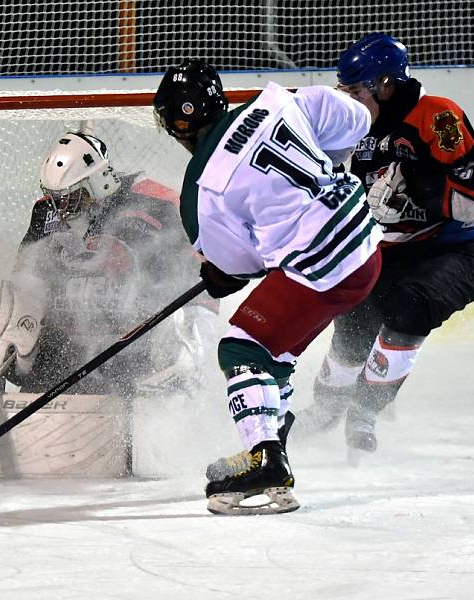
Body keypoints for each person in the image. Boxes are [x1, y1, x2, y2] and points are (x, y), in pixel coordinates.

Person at [153, 59, 382, 514]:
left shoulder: (200, 190)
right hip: (366, 245)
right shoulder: (280, 101)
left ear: (181, 124)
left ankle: (265, 458)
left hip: (323, 264)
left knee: (242, 348)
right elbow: (357, 120)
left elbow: (240, 263)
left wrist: (222, 274)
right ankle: (272, 441)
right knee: (275, 350)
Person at [294, 33, 474, 453]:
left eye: (356, 91)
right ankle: (329, 406)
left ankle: (367, 408)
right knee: (352, 313)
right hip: (394, 250)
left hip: (456, 249)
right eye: (344, 91)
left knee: (409, 305)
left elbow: (473, 203)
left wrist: (416, 187)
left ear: (385, 85)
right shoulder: (360, 128)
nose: (348, 100)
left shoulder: (438, 116)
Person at [0, 131, 218, 399]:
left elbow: (198, 284)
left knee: (171, 364)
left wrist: (193, 347)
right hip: (67, 351)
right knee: (28, 363)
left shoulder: (156, 205)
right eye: (54, 198)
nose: (61, 210)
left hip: (132, 349)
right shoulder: (46, 212)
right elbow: (26, 283)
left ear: (100, 182)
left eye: (72, 198)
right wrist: (16, 323)